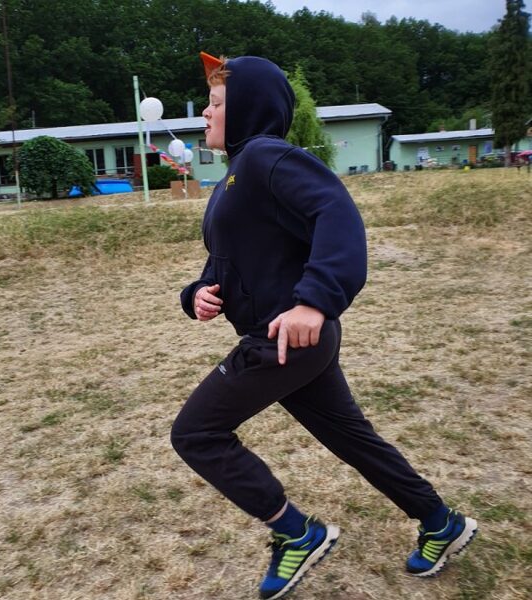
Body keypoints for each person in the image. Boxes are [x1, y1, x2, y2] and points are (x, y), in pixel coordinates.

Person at [171, 52, 477, 600]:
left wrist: (314, 301)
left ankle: (296, 533)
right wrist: (197, 293)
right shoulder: (233, 179)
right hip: (293, 342)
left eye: (216, 103)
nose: (206, 114)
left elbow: (335, 212)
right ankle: (440, 521)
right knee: (353, 439)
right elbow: (228, 260)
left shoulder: (266, 157)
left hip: (286, 338)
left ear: (248, 106)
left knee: (195, 433)